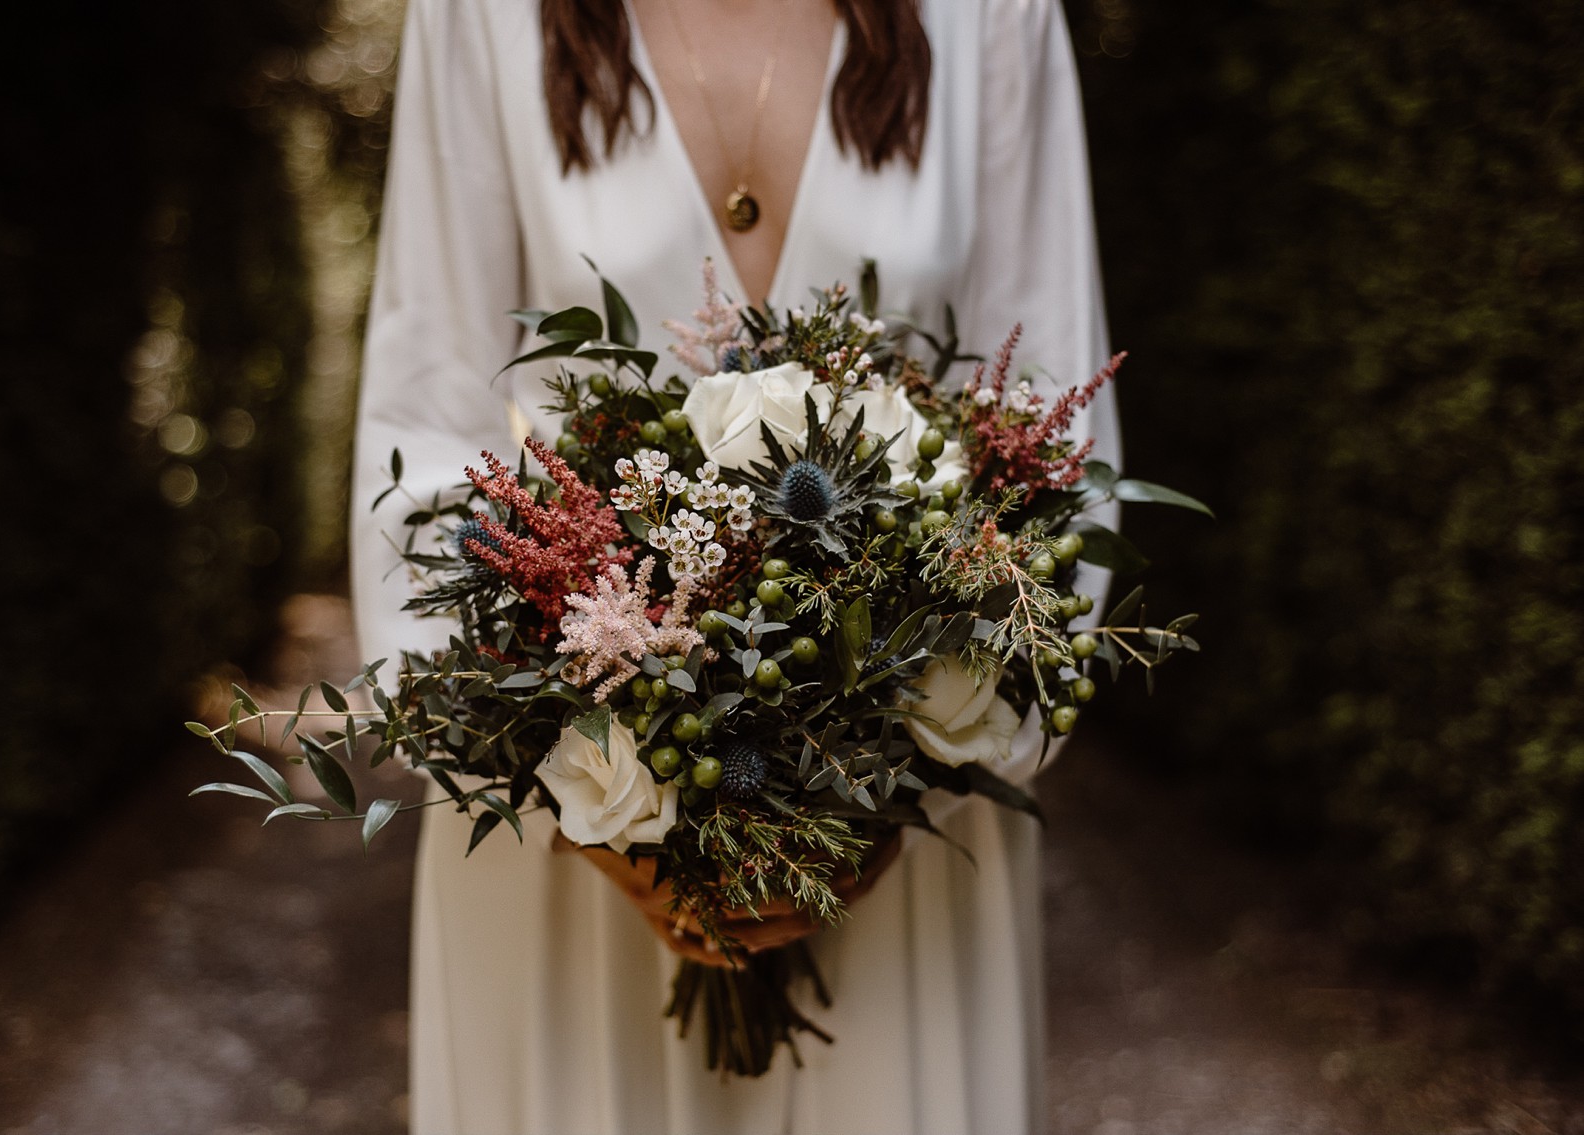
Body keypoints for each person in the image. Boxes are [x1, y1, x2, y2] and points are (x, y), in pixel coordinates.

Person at [349, 0, 1119, 1131]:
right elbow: (424, 413)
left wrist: (890, 778)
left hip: (906, 829)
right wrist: (570, 787)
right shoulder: (481, 15)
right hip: (568, 822)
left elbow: (1051, 433)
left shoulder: (993, 18)